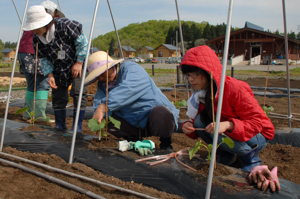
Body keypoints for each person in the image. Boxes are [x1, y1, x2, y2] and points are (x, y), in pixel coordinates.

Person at [180, 45, 275, 172]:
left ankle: (251, 160)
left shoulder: (235, 89)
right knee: (199, 121)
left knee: (219, 132)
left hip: (257, 134)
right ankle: (226, 155)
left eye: (195, 74)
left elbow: (256, 123)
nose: (191, 79)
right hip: (229, 132)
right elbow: (200, 126)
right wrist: (189, 127)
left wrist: (228, 125)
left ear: (208, 71)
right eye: (187, 75)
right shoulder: (199, 95)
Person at [84, 51, 179, 150]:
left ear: (111, 66)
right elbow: (98, 102)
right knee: (109, 120)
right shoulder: (103, 83)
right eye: (97, 76)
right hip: (132, 124)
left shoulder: (132, 68)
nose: (100, 77)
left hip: (151, 118)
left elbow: (129, 89)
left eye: (101, 73)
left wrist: (104, 106)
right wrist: (98, 121)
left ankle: (166, 142)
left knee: (160, 113)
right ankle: (133, 140)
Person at [23, 5, 88, 134]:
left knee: (77, 92)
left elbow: (82, 42)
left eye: (36, 27)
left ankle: (77, 127)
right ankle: (60, 126)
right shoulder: (37, 39)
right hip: (59, 68)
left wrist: (79, 62)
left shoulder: (66, 26)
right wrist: (50, 75)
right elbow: (43, 58)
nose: (34, 31)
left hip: (77, 64)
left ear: (46, 23)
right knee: (58, 95)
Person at [18, 1, 65, 123]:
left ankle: (28, 114)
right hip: (35, 53)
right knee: (43, 84)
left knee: (31, 85)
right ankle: (39, 116)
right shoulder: (42, 22)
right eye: (54, 13)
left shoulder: (32, 19)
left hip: (23, 52)